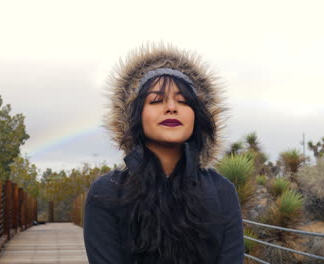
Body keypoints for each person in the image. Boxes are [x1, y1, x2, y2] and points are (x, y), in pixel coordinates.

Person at [83, 43, 244, 264]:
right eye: (156, 100)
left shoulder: (221, 191)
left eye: (183, 101)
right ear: (135, 115)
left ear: (197, 115)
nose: (171, 107)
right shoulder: (107, 192)